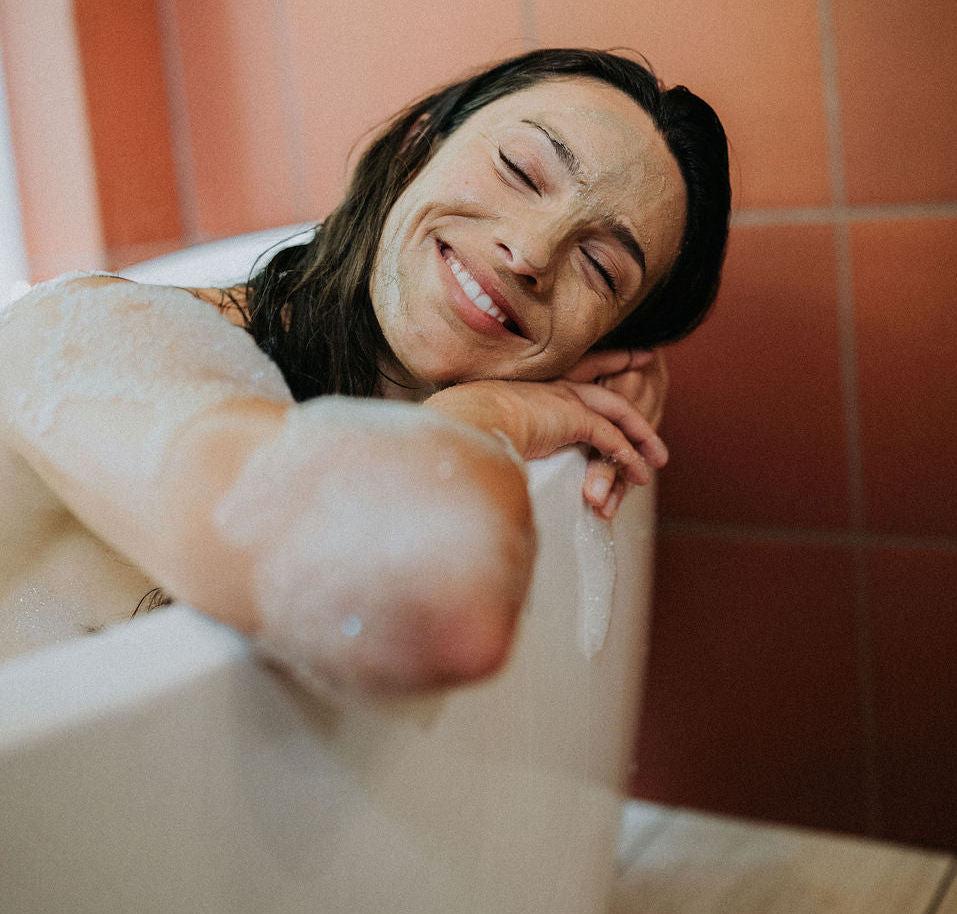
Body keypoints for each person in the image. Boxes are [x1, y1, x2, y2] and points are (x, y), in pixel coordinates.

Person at [0, 49, 729, 696]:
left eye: (600, 267)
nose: (531, 252)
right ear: (417, 149)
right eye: (520, 170)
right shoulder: (90, 343)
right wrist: (498, 417)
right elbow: (422, 602)